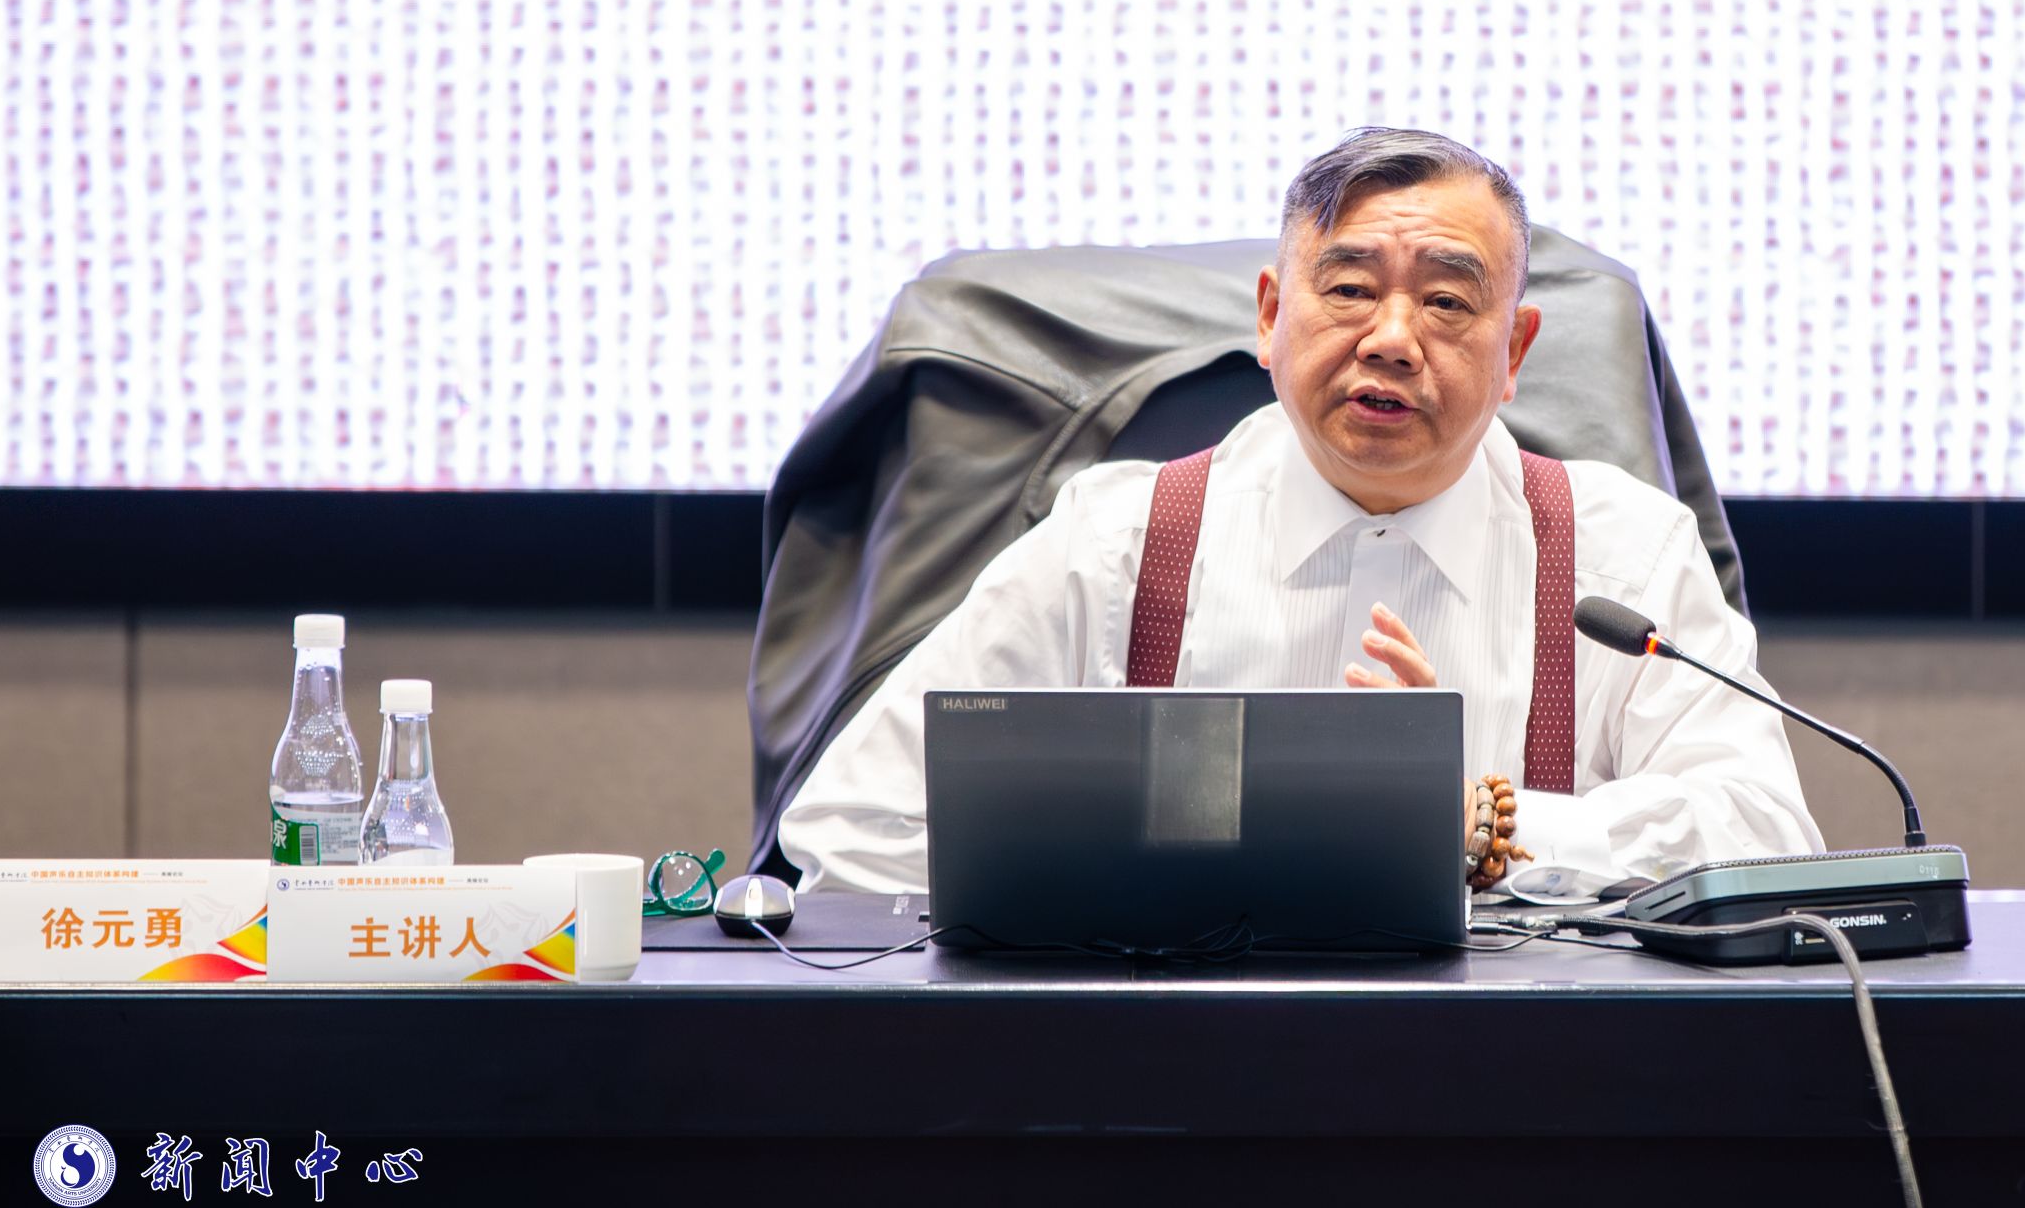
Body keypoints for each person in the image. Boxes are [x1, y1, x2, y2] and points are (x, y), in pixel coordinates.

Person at [780, 127, 1823, 895]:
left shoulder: (1622, 555)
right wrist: (1115, 850)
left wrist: (1485, 827)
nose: (1391, 338)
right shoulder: (1116, 546)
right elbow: (854, 823)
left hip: (1514, 1075)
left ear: (1512, 352)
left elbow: (1767, 836)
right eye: (1350, 289)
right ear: (1272, 315)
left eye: (1447, 301)